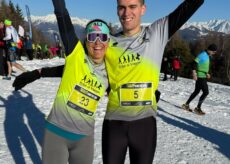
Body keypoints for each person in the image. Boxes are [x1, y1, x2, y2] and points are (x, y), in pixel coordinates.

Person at [102, 0, 204, 163]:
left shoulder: (156, 33)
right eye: (122, 7)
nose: (127, 13)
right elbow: (81, 67)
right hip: (114, 125)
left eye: (132, 7)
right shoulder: (107, 44)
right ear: (117, 10)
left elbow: (188, 7)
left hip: (144, 126)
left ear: (143, 9)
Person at [13, 1, 110, 164]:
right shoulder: (76, 55)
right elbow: (63, 17)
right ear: (86, 40)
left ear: (108, 42)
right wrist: (37, 73)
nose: (98, 42)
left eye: (103, 37)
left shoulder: (111, 71)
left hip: (84, 140)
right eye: (93, 36)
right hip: (56, 134)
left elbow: (124, 88)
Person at [182, 43, 217, 115]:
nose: (214, 53)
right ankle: (198, 108)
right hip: (200, 77)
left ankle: (186, 105)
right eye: (214, 52)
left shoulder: (207, 55)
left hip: (203, 75)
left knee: (196, 91)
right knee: (206, 92)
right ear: (209, 50)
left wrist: (206, 73)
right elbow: (193, 63)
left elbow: (202, 65)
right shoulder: (202, 54)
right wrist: (194, 73)